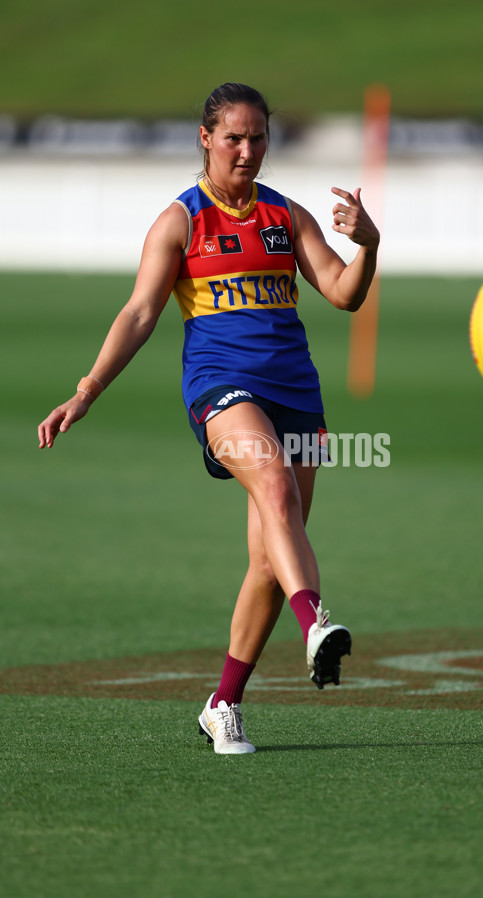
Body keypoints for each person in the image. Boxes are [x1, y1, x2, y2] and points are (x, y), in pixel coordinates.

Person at [38, 82, 380, 755]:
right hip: (222, 388)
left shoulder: (286, 215)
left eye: (258, 138)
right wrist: (86, 390)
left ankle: (223, 704)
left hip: (297, 394)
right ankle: (317, 624)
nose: (248, 151)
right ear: (205, 138)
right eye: (234, 138)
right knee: (274, 487)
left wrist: (369, 244)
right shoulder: (182, 221)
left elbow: (343, 292)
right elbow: (139, 313)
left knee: (266, 559)